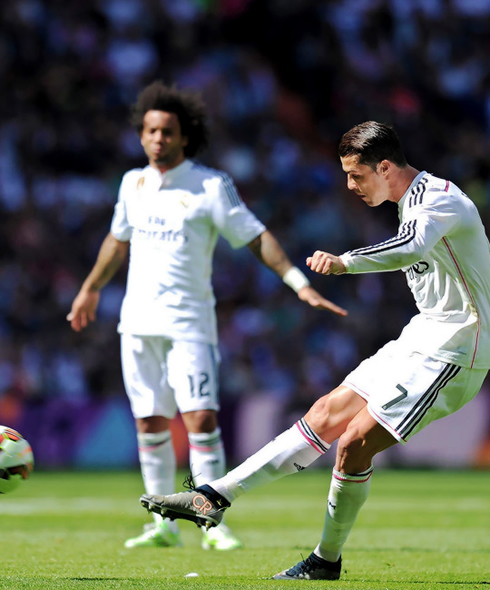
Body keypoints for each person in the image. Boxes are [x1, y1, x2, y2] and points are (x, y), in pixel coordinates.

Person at [140, 121, 490, 578]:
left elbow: (410, 247)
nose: (350, 186)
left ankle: (325, 560)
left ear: (385, 167)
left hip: (456, 348)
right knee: (326, 413)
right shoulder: (411, 202)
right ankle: (214, 495)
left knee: (354, 442)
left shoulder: (440, 200)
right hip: (421, 334)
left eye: (356, 175)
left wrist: (346, 262)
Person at [67, 81, 346, 552]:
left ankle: (212, 520)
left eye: (168, 131)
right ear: (141, 136)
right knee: (150, 424)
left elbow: (256, 236)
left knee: (200, 420)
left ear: (184, 136)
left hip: (189, 324)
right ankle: (162, 524)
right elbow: (117, 240)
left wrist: (299, 283)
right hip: (136, 323)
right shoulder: (131, 184)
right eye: (151, 131)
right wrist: (90, 288)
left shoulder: (210, 185)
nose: (158, 138)